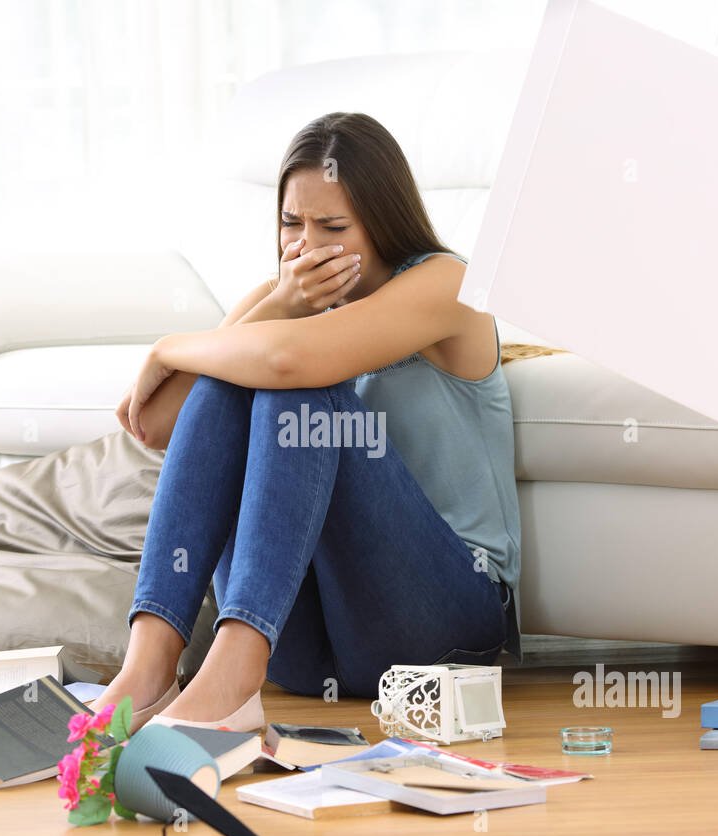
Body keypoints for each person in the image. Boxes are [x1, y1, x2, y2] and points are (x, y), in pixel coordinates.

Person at [90, 111, 546, 732]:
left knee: (299, 388)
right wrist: (278, 305)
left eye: (332, 226)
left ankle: (229, 682)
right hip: (304, 647)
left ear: (382, 224)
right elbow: (161, 422)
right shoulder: (282, 299)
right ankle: (147, 670)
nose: (304, 246)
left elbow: (289, 363)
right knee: (239, 375)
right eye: (289, 223)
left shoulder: (448, 283)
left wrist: (168, 346)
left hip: (443, 631)